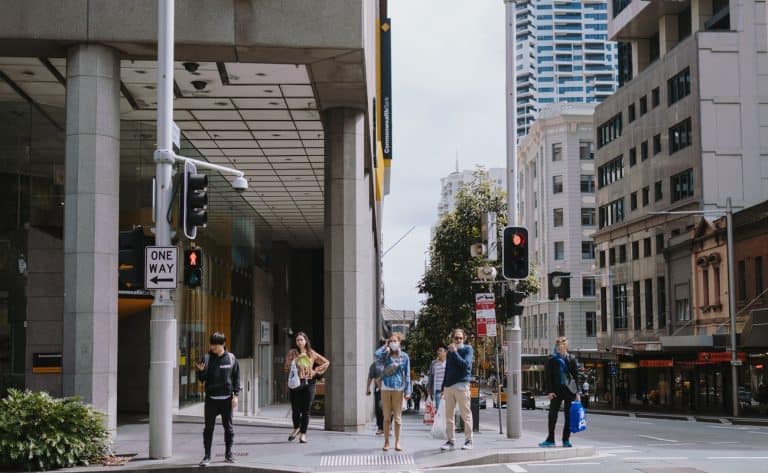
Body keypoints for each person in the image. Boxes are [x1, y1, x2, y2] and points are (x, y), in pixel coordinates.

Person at [195, 332, 241, 466]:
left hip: (227, 400)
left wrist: (236, 395)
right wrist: (200, 372)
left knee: (229, 428)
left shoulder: (231, 358)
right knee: (208, 429)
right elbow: (202, 379)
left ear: (223, 344)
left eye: (215, 344)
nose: (213, 347)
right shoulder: (207, 358)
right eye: (212, 344)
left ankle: (228, 454)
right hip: (211, 400)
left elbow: (236, 378)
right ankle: (207, 456)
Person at [283, 331, 330, 444]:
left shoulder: (311, 353)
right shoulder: (292, 353)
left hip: (309, 383)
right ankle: (296, 428)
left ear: (305, 341)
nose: (299, 342)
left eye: (301, 340)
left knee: (306, 410)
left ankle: (303, 434)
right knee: (295, 409)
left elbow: (326, 362)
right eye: (297, 340)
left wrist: (315, 372)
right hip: (296, 383)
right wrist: (295, 362)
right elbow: (285, 368)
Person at [539, 336, 579, 448]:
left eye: (563, 345)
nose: (561, 348)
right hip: (555, 391)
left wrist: (577, 393)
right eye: (559, 346)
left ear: (566, 346)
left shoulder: (572, 359)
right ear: (557, 347)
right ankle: (550, 439)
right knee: (552, 415)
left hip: (569, 391)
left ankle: (566, 440)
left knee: (569, 416)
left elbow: (576, 376)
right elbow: (548, 377)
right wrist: (549, 391)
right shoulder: (552, 359)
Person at [375, 332, 411, 452]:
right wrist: (385, 346)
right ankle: (386, 442)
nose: (392, 343)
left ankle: (397, 442)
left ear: (400, 343)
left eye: (395, 341)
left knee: (397, 418)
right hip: (386, 387)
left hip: (398, 388)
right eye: (391, 341)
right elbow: (376, 354)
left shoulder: (404, 357)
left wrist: (408, 391)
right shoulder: (385, 354)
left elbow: (407, 375)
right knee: (386, 417)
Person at [440, 328, 474, 451]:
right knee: (449, 416)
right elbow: (447, 370)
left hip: (462, 386)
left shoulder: (467, 349)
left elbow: (466, 366)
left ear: (464, 338)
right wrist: (443, 387)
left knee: (466, 415)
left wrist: (455, 352)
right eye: (456, 338)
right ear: (452, 339)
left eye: (461, 338)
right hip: (449, 387)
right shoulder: (449, 352)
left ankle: (469, 441)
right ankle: (450, 441)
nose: (458, 340)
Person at [366, 339, 386, 435]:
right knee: (379, 409)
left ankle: (388, 427)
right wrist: (368, 388)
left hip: (390, 389)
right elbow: (370, 377)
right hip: (379, 390)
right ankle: (380, 427)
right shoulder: (375, 365)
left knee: (389, 409)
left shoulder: (390, 363)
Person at [426, 345, 447, 410]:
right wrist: (429, 388)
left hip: (447, 390)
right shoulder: (434, 363)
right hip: (437, 389)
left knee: (447, 410)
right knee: (438, 409)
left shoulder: (448, 363)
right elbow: (431, 377)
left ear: (445, 352)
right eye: (438, 351)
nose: (438, 352)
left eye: (440, 350)